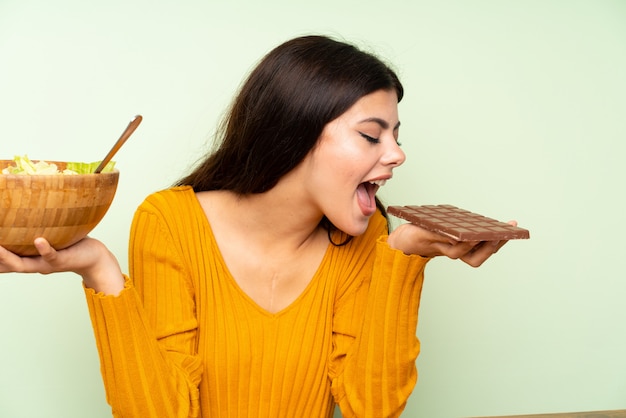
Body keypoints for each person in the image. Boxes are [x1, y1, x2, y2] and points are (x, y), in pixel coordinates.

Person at [0, 35, 511, 417]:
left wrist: (404, 258)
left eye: (395, 136)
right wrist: (99, 270)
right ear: (295, 131)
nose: (397, 155)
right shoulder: (171, 222)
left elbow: (370, 407)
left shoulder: (370, 239)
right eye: (371, 136)